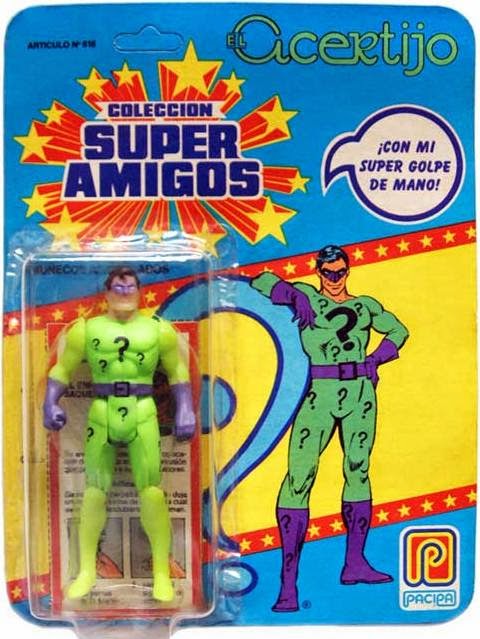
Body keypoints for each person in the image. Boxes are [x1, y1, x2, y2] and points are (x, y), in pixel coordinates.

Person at [251, 245, 408, 612]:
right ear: (318, 272)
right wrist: (292, 294)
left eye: (339, 272)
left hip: (360, 393)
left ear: (348, 271)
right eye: (327, 273)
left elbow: (399, 331)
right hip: (320, 392)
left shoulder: (364, 306)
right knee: (300, 476)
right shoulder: (306, 294)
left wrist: (375, 359)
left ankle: (355, 563)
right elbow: (260, 280)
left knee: (358, 469)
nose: (334, 279)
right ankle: (287, 585)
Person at [43, 266, 195, 601]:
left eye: (129, 287)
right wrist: (50, 402)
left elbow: (177, 371)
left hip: (142, 411)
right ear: (107, 291)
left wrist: (185, 409)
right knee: (94, 491)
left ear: (139, 291)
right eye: (118, 287)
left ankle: (161, 572)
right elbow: (63, 368)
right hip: (103, 410)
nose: (124, 293)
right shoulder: (86, 329)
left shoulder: (158, 330)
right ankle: (86, 570)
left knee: (152, 492)